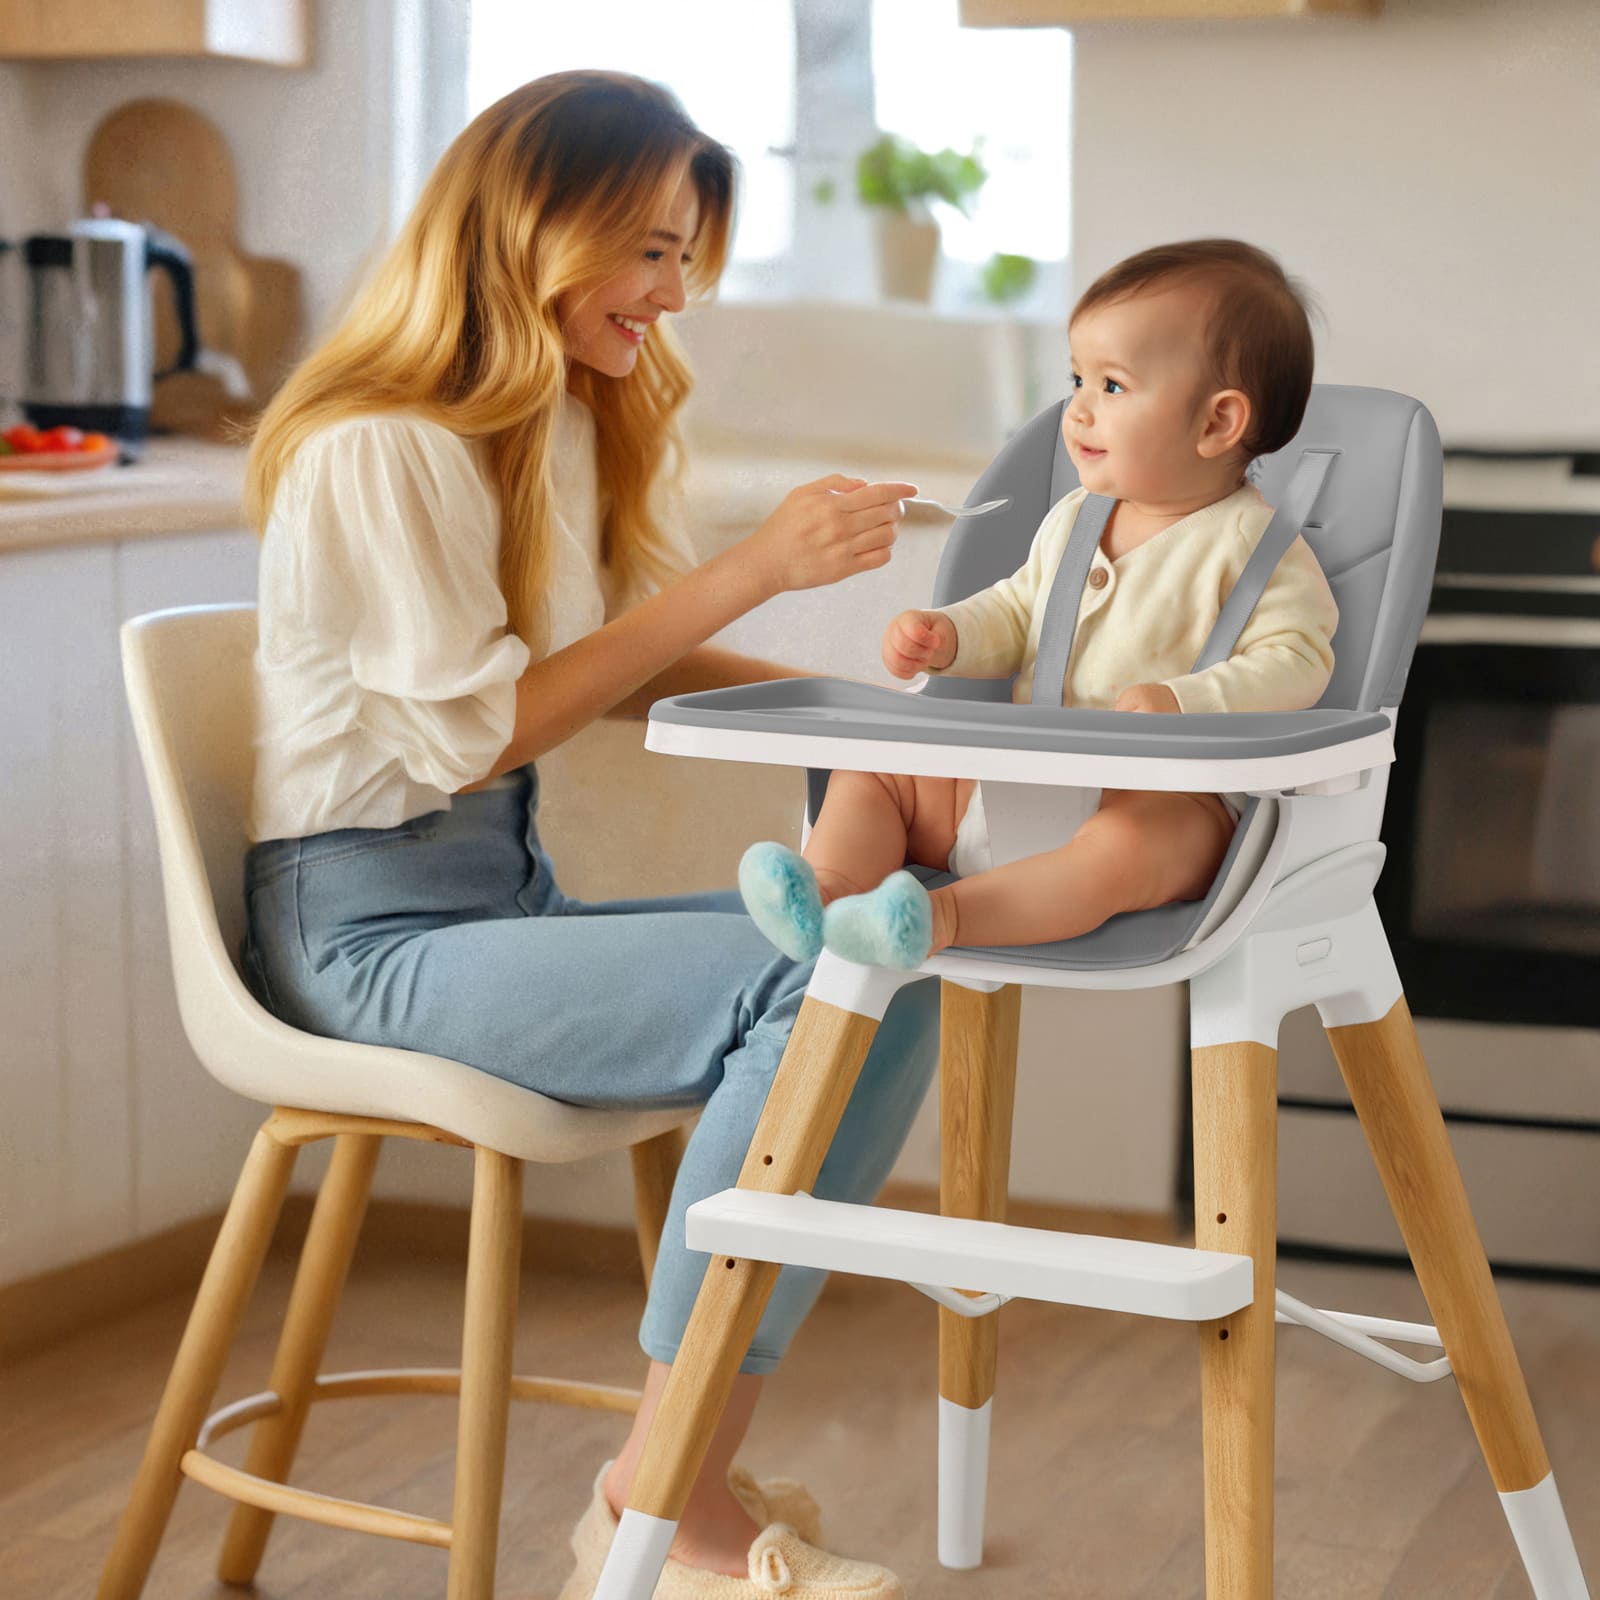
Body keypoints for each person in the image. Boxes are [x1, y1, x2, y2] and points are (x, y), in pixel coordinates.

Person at [239, 71, 936, 1600]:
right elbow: (482, 731)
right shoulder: (383, 445)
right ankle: (667, 1503)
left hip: (494, 899)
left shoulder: (547, 422)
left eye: (686, 260)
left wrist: (849, 710)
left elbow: (616, 658)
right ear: (536, 228)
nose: (669, 298)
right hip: (364, 938)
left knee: (891, 970)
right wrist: (753, 569)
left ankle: (667, 1463)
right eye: (648, 252)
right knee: (818, 982)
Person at [737, 239, 1339, 970]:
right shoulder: (1077, 518)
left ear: (1216, 424)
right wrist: (950, 634)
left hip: (1169, 802)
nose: (1077, 409)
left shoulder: (1254, 546)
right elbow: (1020, 611)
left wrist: (1186, 701)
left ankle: (936, 917)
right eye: (1076, 378)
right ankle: (827, 898)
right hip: (1019, 781)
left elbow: (1298, 660)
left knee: (1122, 850)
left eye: (1111, 387)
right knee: (877, 773)